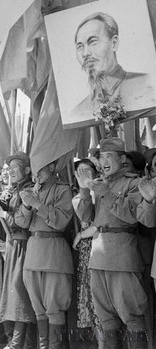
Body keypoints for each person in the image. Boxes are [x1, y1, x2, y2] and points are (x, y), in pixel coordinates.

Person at [74, 138, 156, 349]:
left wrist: (106, 193)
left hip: (122, 257)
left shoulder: (134, 183)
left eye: (109, 156)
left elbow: (132, 218)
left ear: (122, 158)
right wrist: (84, 190)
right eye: (101, 156)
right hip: (98, 258)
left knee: (133, 317)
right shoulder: (102, 183)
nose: (104, 161)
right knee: (106, 320)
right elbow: (87, 217)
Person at [19, 159, 74, 349]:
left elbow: (60, 222)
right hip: (33, 253)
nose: (36, 173)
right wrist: (27, 205)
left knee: (55, 309)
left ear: (51, 167)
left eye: (40, 167)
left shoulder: (63, 189)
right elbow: (21, 222)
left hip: (54, 253)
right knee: (38, 310)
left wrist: (37, 204)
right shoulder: (32, 189)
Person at [71, 12, 153, 118]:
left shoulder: (148, 85)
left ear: (114, 43)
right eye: (80, 46)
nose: (85, 53)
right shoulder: (79, 112)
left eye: (93, 41)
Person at [0, 152, 37, 349]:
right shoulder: (16, 189)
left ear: (27, 170)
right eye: (9, 169)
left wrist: (3, 214)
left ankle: (17, 343)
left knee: (20, 293)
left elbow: (22, 220)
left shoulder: (28, 189)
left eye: (15, 169)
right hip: (14, 245)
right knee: (14, 293)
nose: (10, 172)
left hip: (24, 244)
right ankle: (21, 343)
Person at [71, 159, 99, 335]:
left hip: (100, 243)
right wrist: (85, 190)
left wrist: (81, 234)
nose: (84, 175)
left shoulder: (103, 192)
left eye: (88, 171)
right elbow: (86, 215)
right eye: (80, 172)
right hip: (87, 249)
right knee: (90, 297)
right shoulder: (78, 198)